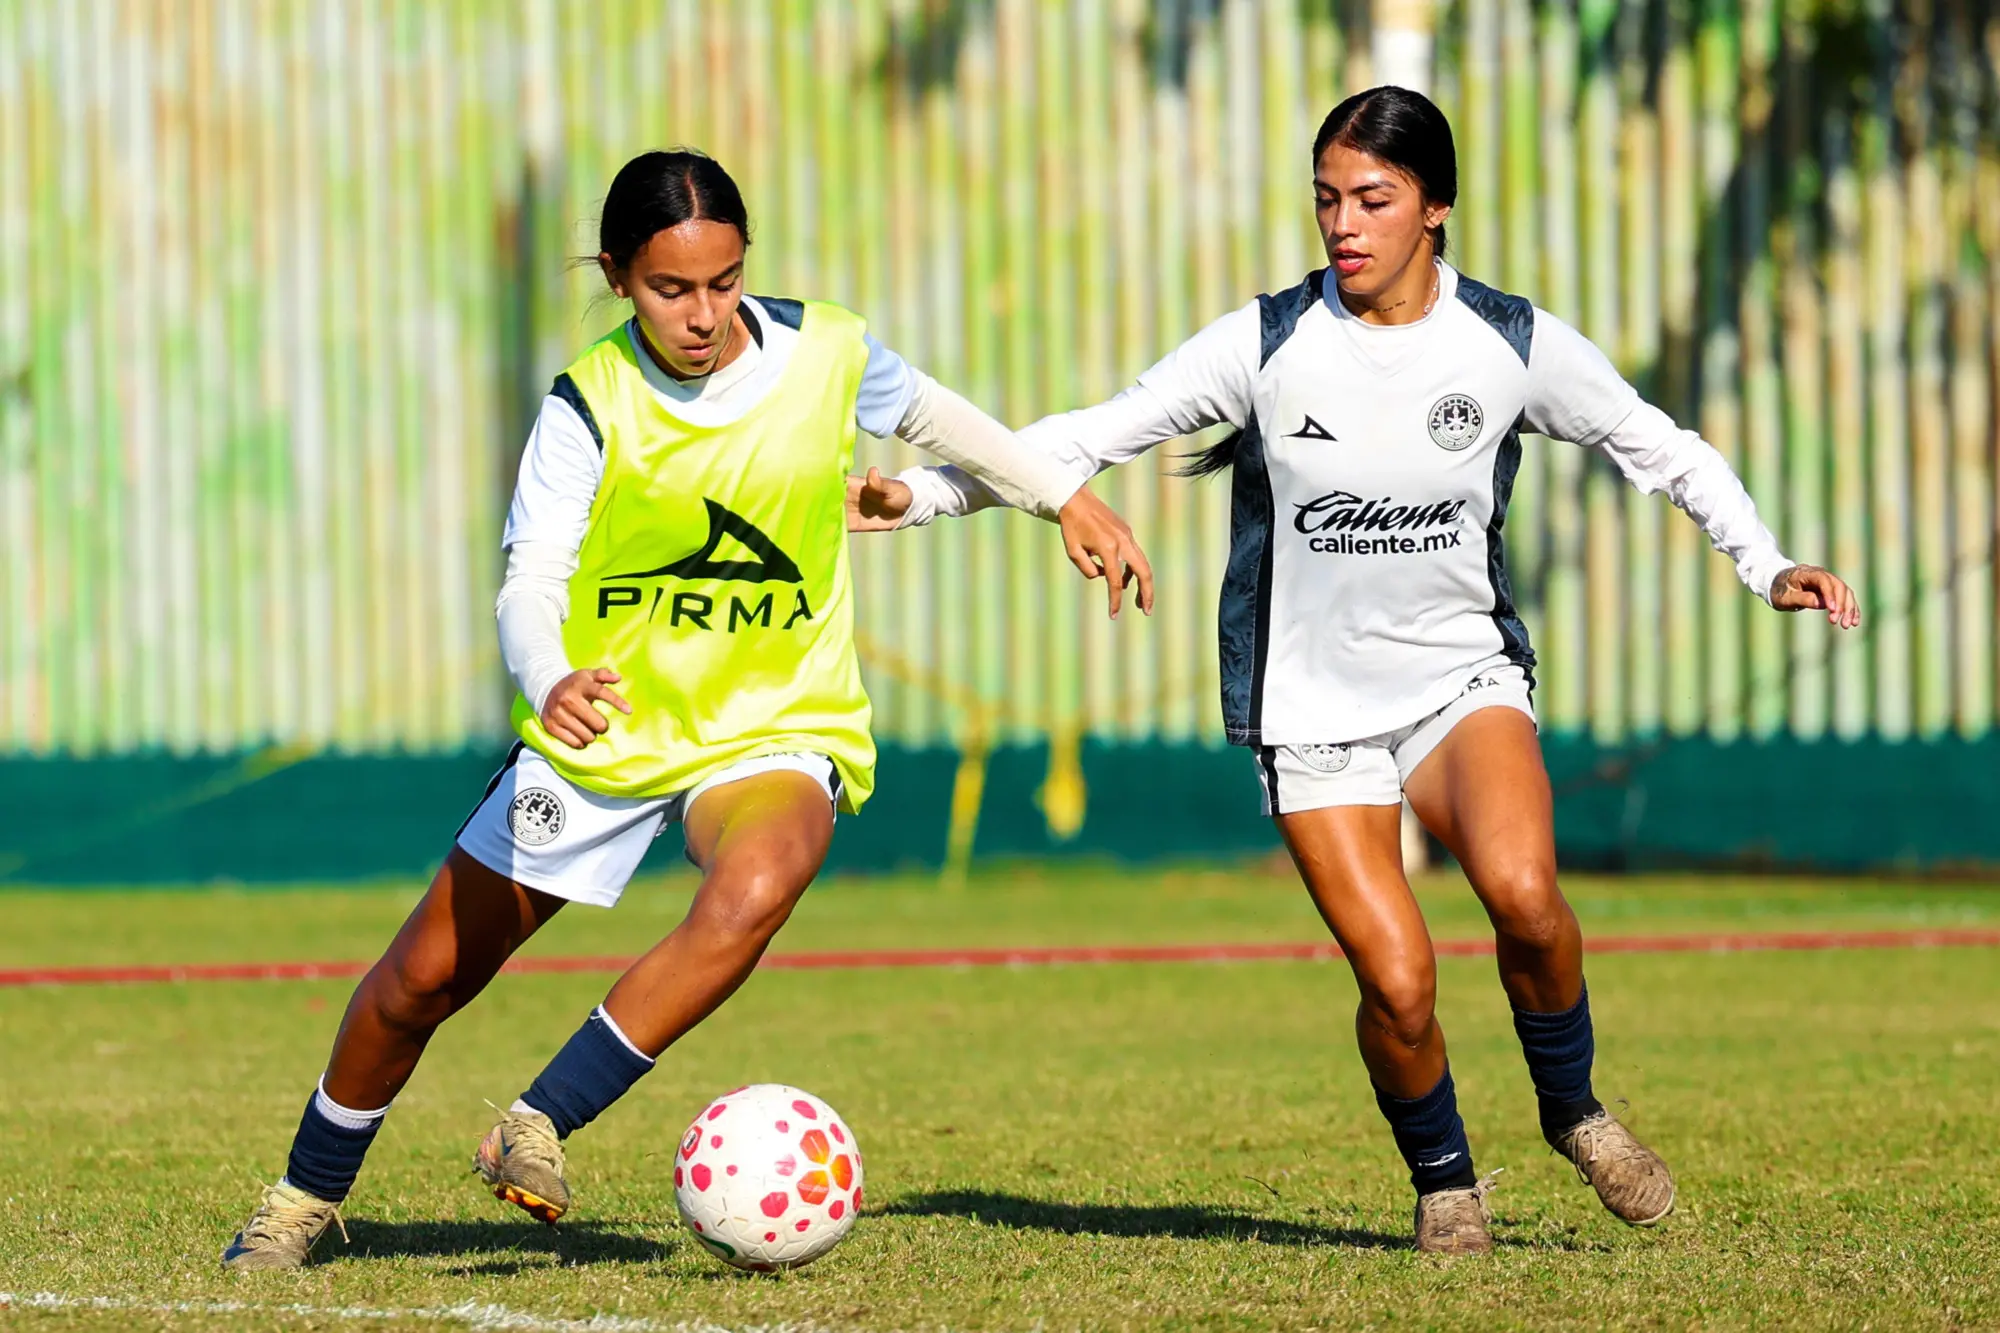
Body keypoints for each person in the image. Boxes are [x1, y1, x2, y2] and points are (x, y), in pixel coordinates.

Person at [851, 87, 1860, 1255]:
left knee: (1527, 899)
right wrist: (923, 494)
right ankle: (1444, 1184)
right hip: (1310, 707)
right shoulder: (1265, 341)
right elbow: (1090, 433)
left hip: (1456, 678)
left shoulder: (1509, 344)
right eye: (1327, 200)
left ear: (1434, 208)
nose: (1344, 223)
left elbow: (1660, 447)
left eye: (1372, 199)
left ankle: (1573, 1111)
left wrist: (1766, 563)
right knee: (1398, 980)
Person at [221, 148, 1153, 1270]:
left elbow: (956, 428)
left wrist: (1065, 499)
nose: (705, 313)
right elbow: (529, 579)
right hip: (610, 722)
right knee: (420, 979)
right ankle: (301, 1199)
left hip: (773, 716)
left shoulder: (828, 351)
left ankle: (539, 1121)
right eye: (672, 288)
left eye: (723, 281)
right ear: (618, 276)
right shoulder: (589, 402)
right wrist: (549, 678)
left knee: (760, 881)